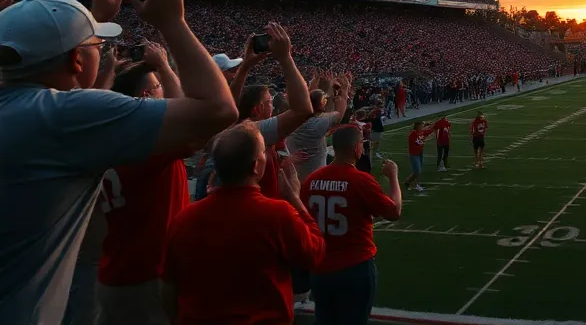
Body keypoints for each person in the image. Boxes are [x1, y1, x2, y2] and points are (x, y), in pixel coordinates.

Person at [0, 0, 237, 323]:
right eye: (96, 42)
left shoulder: (37, 111)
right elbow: (218, 109)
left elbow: (59, 72)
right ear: (77, 59)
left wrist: (84, 22)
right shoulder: (66, 116)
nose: (103, 47)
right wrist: (172, 22)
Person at [162, 122, 326, 324]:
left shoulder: (183, 219)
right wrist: (296, 200)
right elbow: (315, 253)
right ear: (256, 165)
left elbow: (168, 289)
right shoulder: (277, 214)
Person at [96, 46, 190, 325]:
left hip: (116, 269)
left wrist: (110, 71)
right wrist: (163, 64)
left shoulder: (106, 136)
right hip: (147, 275)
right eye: (158, 85)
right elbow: (189, 116)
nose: (163, 88)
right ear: (145, 96)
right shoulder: (147, 144)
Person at [303, 125, 402, 325]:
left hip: (321, 267)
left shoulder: (312, 180)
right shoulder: (360, 180)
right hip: (354, 266)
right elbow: (394, 212)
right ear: (356, 148)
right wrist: (393, 178)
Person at [234, 24, 315, 199]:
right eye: (269, 101)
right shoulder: (251, 132)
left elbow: (228, 110)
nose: (272, 105)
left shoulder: (230, 131)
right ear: (257, 108)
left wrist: (245, 66)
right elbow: (303, 109)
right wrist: (286, 58)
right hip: (262, 213)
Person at [286, 73, 352, 184]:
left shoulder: (292, 118)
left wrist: (312, 88)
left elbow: (308, 101)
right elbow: (339, 113)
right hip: (313, 180)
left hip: (293, 177)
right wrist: (344, 91)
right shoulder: (317, 124)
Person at [406, 120, 433, 191]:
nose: (422, 127)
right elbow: (418, 142)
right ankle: (415, 185)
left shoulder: (420, 132)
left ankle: (408, 181)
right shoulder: (413, 134)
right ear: (418, 126)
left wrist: (432, 127)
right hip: (414, 154)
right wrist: (424, 140)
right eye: (421, 125)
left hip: (420, 153)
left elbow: (427, 132)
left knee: (418, 170)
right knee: (418, 170)